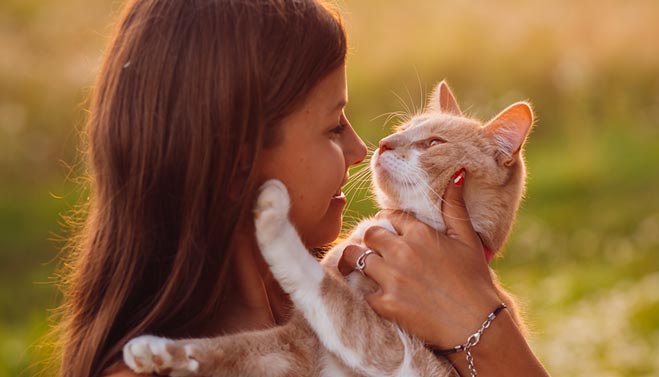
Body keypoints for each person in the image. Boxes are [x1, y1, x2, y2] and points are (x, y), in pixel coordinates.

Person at [55, 0, 548, 376]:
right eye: (334, 127)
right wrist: (481, 326)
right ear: (235, 158)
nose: (362, 150)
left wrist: (479, 318)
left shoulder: (375, 293)